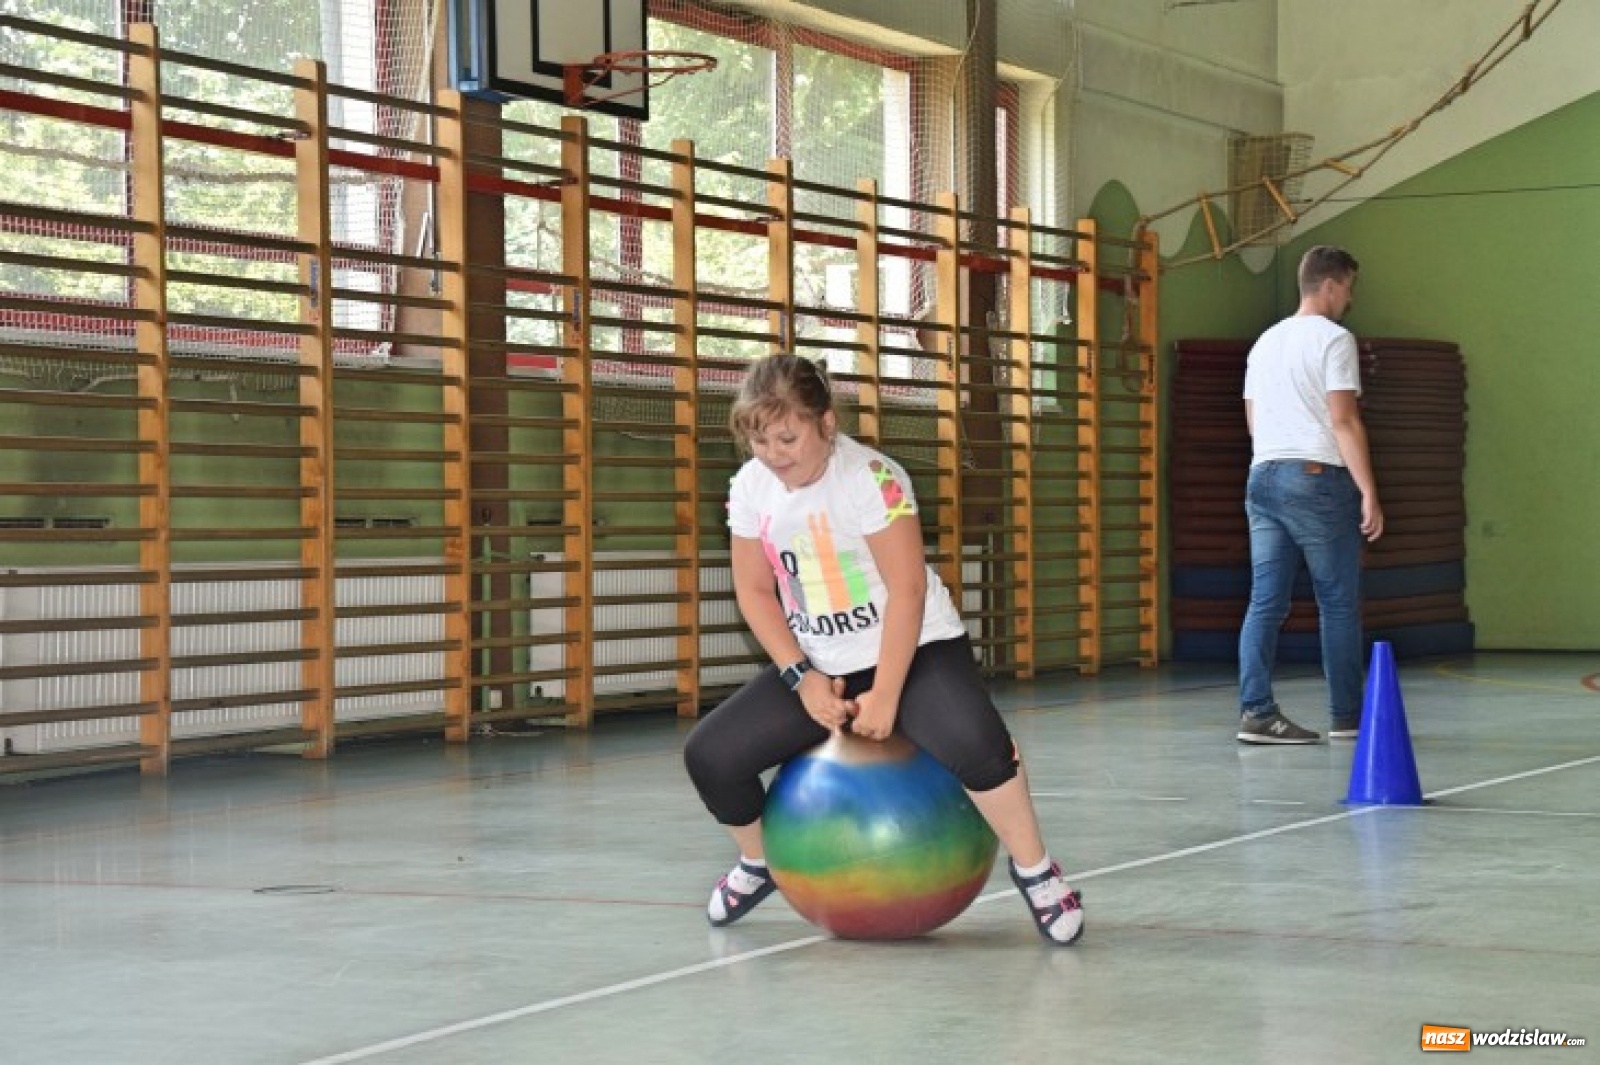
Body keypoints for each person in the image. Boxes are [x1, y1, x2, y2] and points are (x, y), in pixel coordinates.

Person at [682, 353, 1084, 945]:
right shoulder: (751, 487)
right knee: (711, 756)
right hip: (820, 661)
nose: (774, 453)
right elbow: (753, 589)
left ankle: (1037, 871)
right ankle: (761, 862)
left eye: (787, 436)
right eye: (760, 440)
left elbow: (908, 587)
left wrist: (886, 694)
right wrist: (802, 677)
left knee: (980, 749)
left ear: (826, 422)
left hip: (916, 646)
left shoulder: (872, 478)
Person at [1237, 245, 1384, 744]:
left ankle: (1257, 712)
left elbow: (1255, 421)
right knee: (1338, 602)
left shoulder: (1264, 342)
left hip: (1263, 475)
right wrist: (1369, 491)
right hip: (1317, 477)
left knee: (1265, 603)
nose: (1349, 299)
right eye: (1349, 288)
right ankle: (1348, 717)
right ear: (1332, 285)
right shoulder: (1334, 340)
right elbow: (1343, 419)